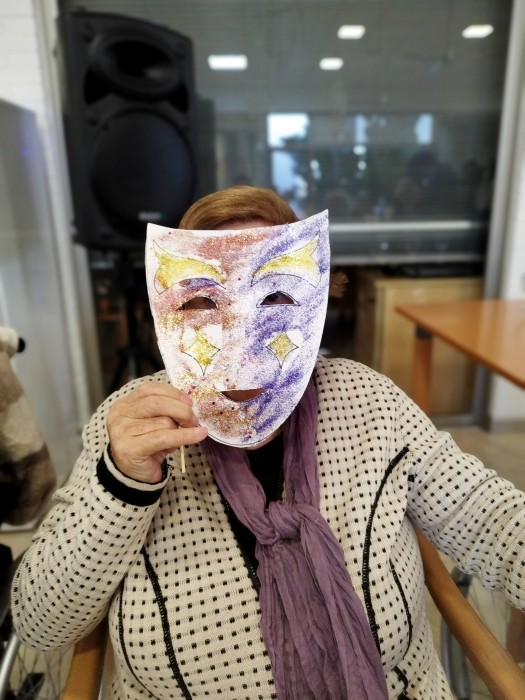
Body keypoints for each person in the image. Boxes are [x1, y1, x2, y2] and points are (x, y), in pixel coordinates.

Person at [11, 186, 525, 700]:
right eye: (201, 301)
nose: (242, 346)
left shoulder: (369, 402)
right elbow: (39, 624)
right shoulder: (133, 426)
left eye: (277, 296)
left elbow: (492, 519)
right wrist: (121, 484)